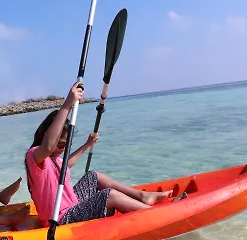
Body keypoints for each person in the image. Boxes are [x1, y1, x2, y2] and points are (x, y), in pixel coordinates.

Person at [24, 81, 174, 227]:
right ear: (46, 135)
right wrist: (67, 104)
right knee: (109, 195)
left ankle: (142, 196)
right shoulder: (34, 156)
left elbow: (66, 164)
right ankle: (157, 215)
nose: (63, 148)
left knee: (93, 176)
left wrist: (86, 145)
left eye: (66, 144)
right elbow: (49, 146)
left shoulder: (54, 159)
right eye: (60, 144)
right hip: (60, 219)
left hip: (72, 206)